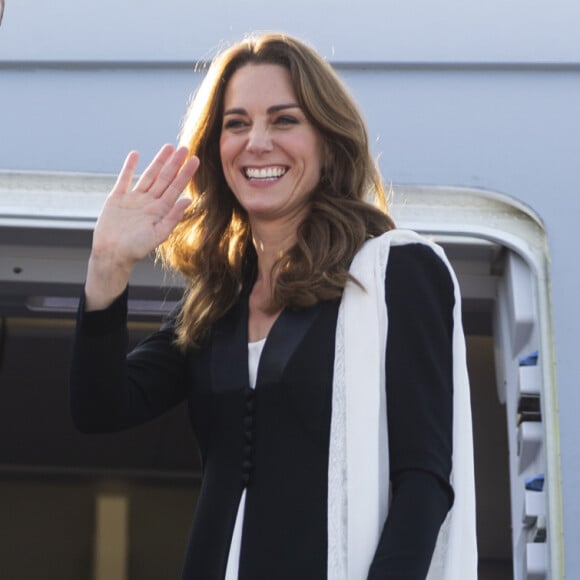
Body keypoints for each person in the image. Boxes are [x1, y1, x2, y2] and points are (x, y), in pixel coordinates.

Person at [70, 32, 477, 579]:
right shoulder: (216, 301)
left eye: (284, 120)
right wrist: (108, 267)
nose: (256, 142)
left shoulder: (395, 272)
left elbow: (424, 479)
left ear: (328, 141)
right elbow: (101, 408)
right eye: (236, 124)